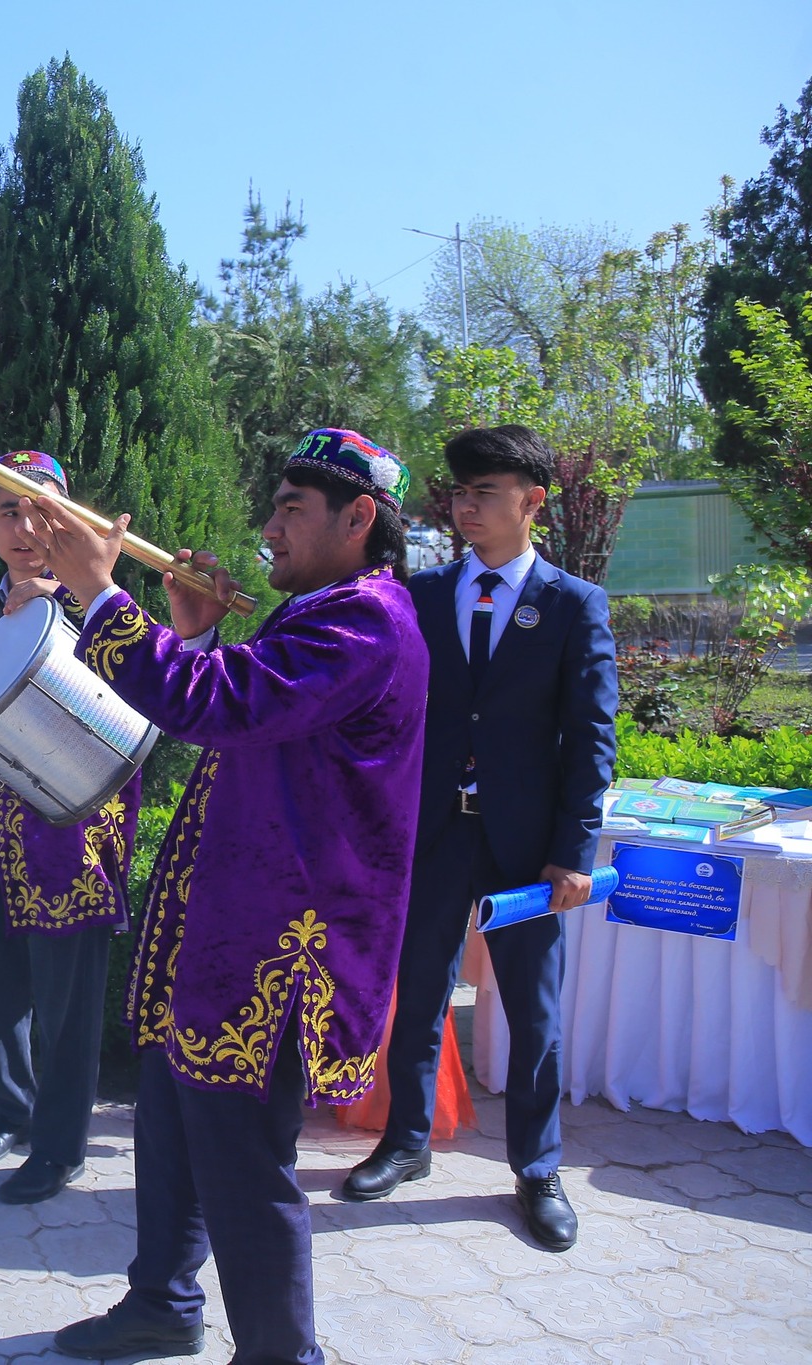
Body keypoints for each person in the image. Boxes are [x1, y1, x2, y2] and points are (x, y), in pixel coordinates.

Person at [23, 429, 427, 1365]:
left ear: (360, 518)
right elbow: (234, 703)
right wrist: (197, 634)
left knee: (245, 1163)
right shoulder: (323, 612)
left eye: (292, 509)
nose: (269, 527)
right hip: (226, 929)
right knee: (171, 1121)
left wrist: (100, 593)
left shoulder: (366, 621)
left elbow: (222, 704)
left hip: (279, 951)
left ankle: (283, 1353)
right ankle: (163, 1302)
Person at [343, 424, 617, 1253]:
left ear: (532, 502)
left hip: (527, 846)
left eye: (485, 493)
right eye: (460, 493)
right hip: (431, 833)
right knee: (418, 992)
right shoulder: (420, 594)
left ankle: (537, 1167)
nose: (467, 507)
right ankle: (407, 1139)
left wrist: (574, 851)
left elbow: (592, 737)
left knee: (533, 1012)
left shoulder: (573, 604)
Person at [0, 451, 141, 1205]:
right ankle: (8, 1109)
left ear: (66, 522)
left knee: (66, 1003)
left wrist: (68, 608)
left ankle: (59, 1146)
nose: (23, 529)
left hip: (67, 836)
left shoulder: (101, 606)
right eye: (7, 512)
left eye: (39, 512)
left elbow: (136, 705)